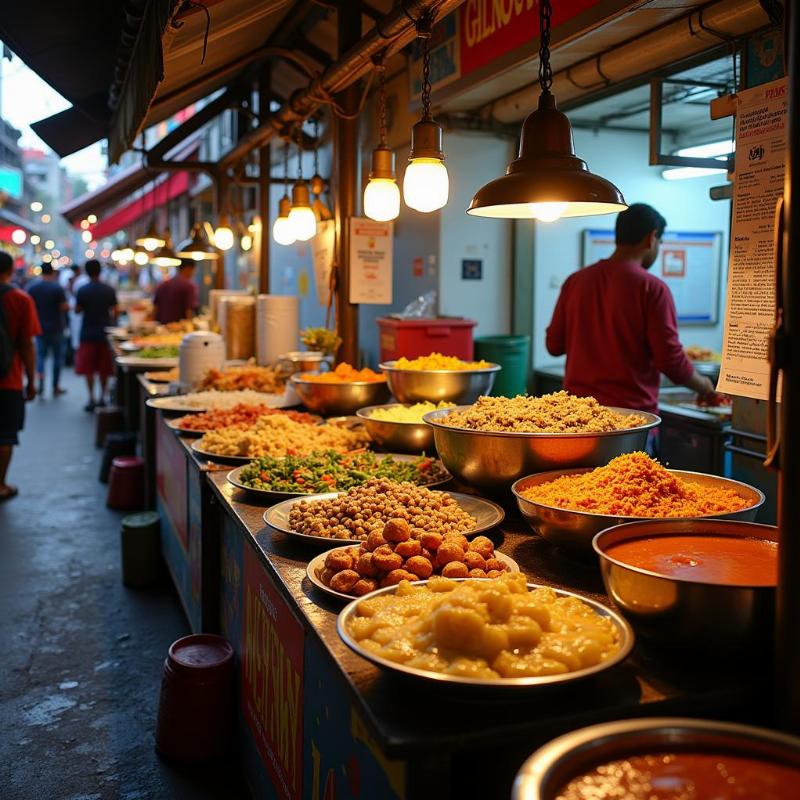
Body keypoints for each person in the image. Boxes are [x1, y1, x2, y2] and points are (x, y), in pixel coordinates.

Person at [545, 203, 715, 418]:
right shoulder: (653, 289)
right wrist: (706, 387)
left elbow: (553, 345)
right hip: (630, 419)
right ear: (651, 238)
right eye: (660, 242)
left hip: (578, 417)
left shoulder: (575, 281)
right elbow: (670, 360)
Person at [0, 251, 41, 502]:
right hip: (9, 378)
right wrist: (32, 380)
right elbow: (27, 344)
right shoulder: (20, 300)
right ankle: (1, 484)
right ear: (11, 270)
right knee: (5, 435)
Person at [75, 259, 118, 412]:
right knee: (104, 368)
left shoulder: (82, 290)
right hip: (104, 332)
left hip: (87, 332)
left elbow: (77, 310)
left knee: (89, 368)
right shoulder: (109, 289)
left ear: (87, 271)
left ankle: (91, 398)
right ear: (100, 270)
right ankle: (102, 398)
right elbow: (115, 310)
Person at [27, 262, 69, 397]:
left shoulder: (33, 288)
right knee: (57, 358)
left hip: (39, 327)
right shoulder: (57, 288)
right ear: (52, 272)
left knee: (40, 357)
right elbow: (64, 307)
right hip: (56, 327)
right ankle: (55, 386)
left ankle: (40, 383)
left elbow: (29, 308)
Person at [153, 259, 199, 324]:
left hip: (162, 327)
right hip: (179, 328)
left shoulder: (163, 284)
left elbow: (155, 308)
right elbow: (189, 311)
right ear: (188, 269)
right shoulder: (189, 286)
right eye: (194, 270)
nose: (194, 273)